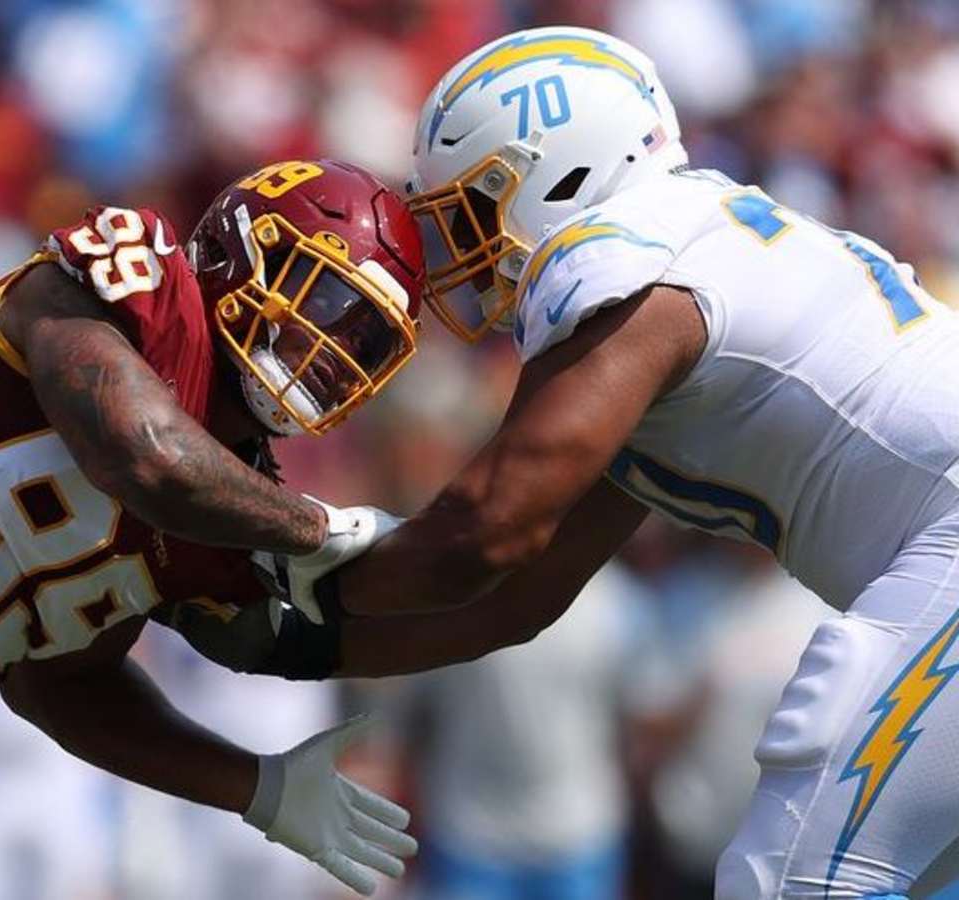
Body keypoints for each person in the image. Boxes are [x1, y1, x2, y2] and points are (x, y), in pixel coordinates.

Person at [285, 26, 959, 900]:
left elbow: (485, 530)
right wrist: (300, 648)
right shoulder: (687, 258)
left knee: (797, 878)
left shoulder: (614, 253)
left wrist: (283, 561)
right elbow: (518, 598)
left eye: (474, 206)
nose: (457, 250)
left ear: (558, 171)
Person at [0, 158, 424, 898]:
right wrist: (317, 528)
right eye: (329, 299)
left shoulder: (237, 508)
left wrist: (257, 787)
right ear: (247, 246)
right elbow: (146, 455)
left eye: (366, 341)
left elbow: (58, 688)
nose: (335, 353)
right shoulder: (143, 283)